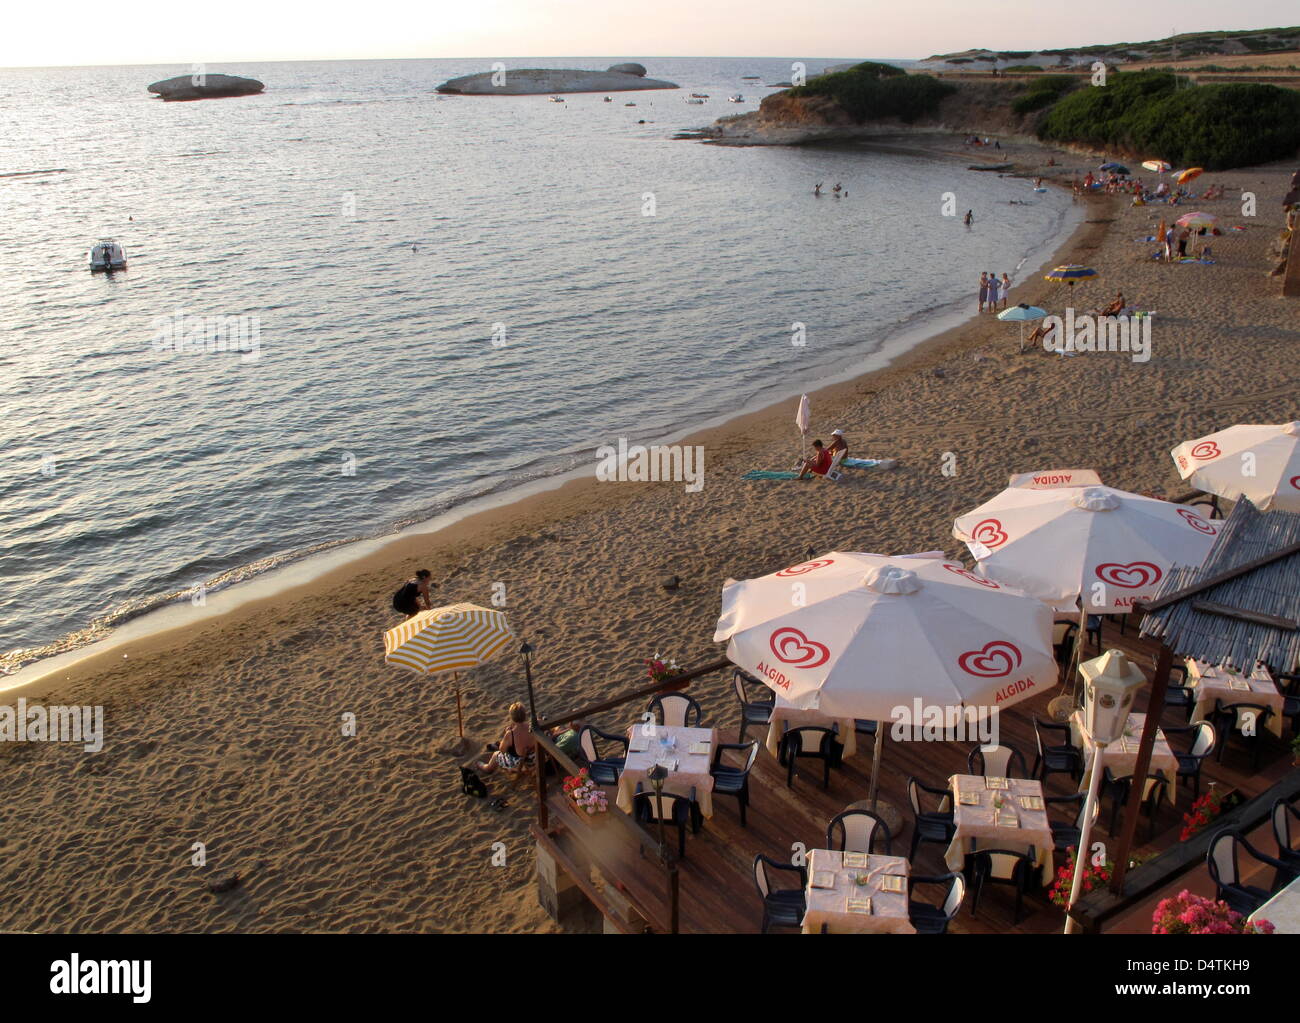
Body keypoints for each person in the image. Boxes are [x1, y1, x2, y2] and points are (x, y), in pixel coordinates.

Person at [479, 702, 536, 773]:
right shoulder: (532, 727)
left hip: (522, 764)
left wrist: (507, 733)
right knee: (510, 744)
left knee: (496, 755)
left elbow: (502, 750)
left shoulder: (511, 734)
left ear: (512, 718)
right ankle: (497, 745)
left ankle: (485, 767)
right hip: (535, 758)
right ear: (525, 715)